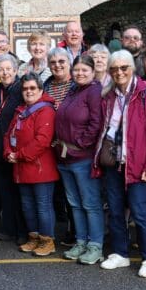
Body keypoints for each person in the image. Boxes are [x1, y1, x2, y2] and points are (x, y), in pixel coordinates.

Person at [95, 49, 146, 278]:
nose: (119, 72)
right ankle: (120, 253)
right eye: (114, 69)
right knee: (115, 211)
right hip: (114, 162)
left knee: (140, 211)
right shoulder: (109, 94)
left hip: (137, 163)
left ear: (132, 69)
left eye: (124, 67)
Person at [56, 55, 105, 264]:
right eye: (77, 69)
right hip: (65, 157)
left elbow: (96, 123)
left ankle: (95, 245)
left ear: (93, 72)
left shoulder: (94, 91)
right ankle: (81, 241)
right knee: (75, 203)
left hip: (82, 157)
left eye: (85, 70)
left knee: (90, 203)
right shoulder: (73, 90)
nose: (80, 73)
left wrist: (82, 143)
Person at [6, 73, 58, 256]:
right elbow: (8, 135)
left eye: (32, 88)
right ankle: (34, 238)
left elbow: (42, 141)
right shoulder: (20, 110)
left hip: (40, 168)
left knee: (42, 205)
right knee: (27, 205)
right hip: (22, 167)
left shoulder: (46, 111)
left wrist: (18, 155)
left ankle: (47, 240)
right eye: (25, 88)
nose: (28, 91)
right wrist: (8, 152)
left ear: (40, 90)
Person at [0, 54, 24, 243]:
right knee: (5, 191)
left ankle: (22, 231)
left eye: (8, 69)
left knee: (19, 193)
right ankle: (8, 228)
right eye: (1, 70)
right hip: (0, 147)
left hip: (15, 148)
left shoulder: (20, 89)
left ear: (15, 70)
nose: (5, 73)